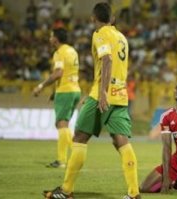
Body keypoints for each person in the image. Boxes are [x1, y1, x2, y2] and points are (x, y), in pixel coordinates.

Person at [43, 2, 141, 199]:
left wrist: (103, 92)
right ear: (112, 19)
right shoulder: (122, 37)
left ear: (92, 19)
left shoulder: (100, 33)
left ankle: (66, 191)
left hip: (101, 95)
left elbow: (107, 60)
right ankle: (134, 193)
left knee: (79, 137)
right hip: (121, 95)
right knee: (120, 141)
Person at [33, 28, 81, 168]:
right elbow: (67, 72)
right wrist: (55, 91)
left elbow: (58, 73)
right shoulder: (72, 51)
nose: (50, 39)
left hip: (65, 91)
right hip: (75, 90)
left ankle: (66, 159)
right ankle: (68, 158)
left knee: (61, 124)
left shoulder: (59, 52)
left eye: (51, 36)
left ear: (56, 39)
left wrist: (41, 86)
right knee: (63, 124)